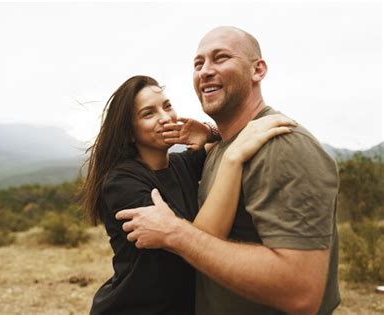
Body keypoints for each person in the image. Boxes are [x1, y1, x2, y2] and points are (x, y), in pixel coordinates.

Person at [116, 26, 340, 315]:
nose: (205, 71)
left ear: (257, 70)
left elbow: (300, 292)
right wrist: (211, 133)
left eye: (220, 58)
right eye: (198, 64)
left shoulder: (281, 146)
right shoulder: (222, 147)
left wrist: (176, 234)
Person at [83, 75, 296, 315]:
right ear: (130, 133)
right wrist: (233, 160)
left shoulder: (182, 164)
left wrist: (208, 131)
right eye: (148, 114)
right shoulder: (122, 183)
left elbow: (226, 138)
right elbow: (199, 244)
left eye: (167, 106)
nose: (165, 118)